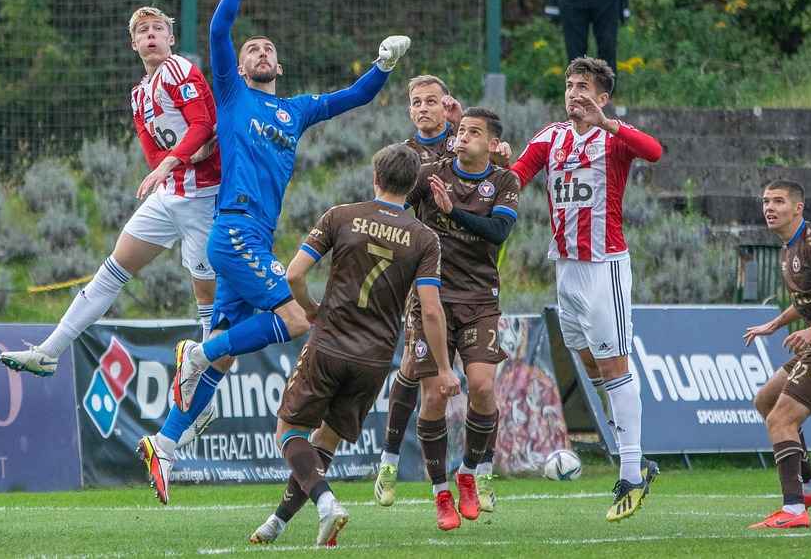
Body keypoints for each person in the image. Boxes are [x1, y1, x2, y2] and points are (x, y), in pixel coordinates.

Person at [144, 0, 410, 505]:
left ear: (279, 65)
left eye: (268, 49)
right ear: (240, 68)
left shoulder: (295, 109)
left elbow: (354, 97)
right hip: (234, 228)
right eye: (252, 50)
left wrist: (384, 65)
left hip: (253, 237)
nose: (260, 53)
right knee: (293, 321)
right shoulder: (231, 96)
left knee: (225, 350)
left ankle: (163, 445)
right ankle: (197, 353)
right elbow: (218, 32)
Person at [249, 144, 455, 546]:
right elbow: (431, 311)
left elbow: (293, 275)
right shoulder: (424, 238)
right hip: (374, 359)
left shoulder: (341, 216)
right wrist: (445, 369)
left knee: (289, 430)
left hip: (330, 343)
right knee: (326, 440)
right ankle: (277, 522)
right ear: (411, 185)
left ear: (375, 177)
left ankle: (326, 503)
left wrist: (311, 308)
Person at [1, 6, 220, 382]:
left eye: (158, 29)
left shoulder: (178, 69)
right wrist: (172, 163)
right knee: (112, 270)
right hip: (169, 195)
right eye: (142, 31)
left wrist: (173, 161)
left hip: (204, 197)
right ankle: (48, 352)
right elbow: (153, 156)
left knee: (208, 301)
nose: (150, 35)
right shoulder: (139, 94)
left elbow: (203, 125)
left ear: (171, 39)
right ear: (134, 44)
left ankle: (201, 392)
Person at [507, 57, 662, 521]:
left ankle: (631, 473)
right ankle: (633, 455)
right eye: (571, 85)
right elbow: (517, 176)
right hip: (565, 266)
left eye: (584, 87)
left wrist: (608, 123)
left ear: (602, 96)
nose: (574, 93)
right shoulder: (550, 137)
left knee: (614, 364)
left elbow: (654, 151)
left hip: (603, 265)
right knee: (591, 360)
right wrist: (493, 167)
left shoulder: (613, 138)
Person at [376, 108, 519, 530]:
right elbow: (392, 202)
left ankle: (469, 472)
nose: (463, 138)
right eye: (461, 131)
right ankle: (441, 493)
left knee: (483, 387)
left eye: (474, 133)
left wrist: (451, 210)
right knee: (436, 394)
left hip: (480, 299)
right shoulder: (430, 174)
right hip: (431, 296)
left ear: (492, 144)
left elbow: (498, 232)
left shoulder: (504, 181)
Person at [744, 180, 811, 530]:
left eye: (778, 201)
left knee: (781, 419)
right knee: (766, 401)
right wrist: (776, 323)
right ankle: (810, 488)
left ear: (798, 208)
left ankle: (793, 509)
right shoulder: (789, 246)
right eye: (765, 201)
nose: (769, 208)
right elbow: (809, 299)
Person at [403, 75, 462, 162]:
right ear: (411, 112)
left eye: (431, 101)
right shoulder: (404, 154)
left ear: (446, 107)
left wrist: (459, 122)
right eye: (417, 102)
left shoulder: (464, 140)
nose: (423, 109)